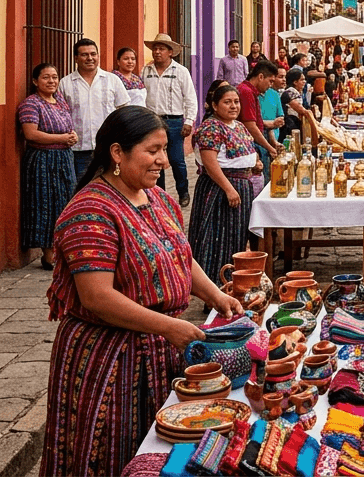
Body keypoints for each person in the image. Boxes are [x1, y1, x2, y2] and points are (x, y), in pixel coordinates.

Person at [43, 106, 242, 476]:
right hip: (110, 362)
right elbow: (97, 296)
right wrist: (168, 327)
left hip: (159, 351)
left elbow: (179, 255)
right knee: (113, 453)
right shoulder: (90, 211)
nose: (163, 161)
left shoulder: (158, 199)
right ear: (117, 153)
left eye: (165, 150)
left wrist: (215, 296)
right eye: (153, 151)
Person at [190, 84, 260, 283]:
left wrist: (254, 163)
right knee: (217, 239)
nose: (233, 106)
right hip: (219, 190)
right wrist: (228, 189)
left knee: (236, 239)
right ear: (214, 105)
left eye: (236, 102)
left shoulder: (238, 126)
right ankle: (215, 286)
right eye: (227, 102)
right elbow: (210, 163)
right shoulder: (211, 127)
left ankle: (233, 283)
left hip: (242, 187)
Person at [18, 63, 77, 270]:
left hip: (63, 158)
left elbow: (68, 125)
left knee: (65, 201)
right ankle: (48, 254)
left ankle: (64, 249)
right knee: (45, 203)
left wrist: (72, 136)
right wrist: (62, 137)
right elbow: (30, 134)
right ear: (35, 81)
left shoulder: (60, 101)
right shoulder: (31, 104)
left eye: (54, 77)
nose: (51, 81)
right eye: (46, 77)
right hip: (42, 160)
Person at [58, 38, 130, 180]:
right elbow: (60, 114)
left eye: (93, 54)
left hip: (108, 148)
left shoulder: (112, 80)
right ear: (76, 58)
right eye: (85, 55)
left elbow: (124, 110)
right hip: (78, 150)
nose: (90, 58)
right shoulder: (65, 84)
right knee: (80, 189)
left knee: (110, 188)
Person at [140, 34, 199, 205]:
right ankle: (160, 195)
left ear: (170, 52)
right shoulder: (146, 71)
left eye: (161, 49)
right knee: (155, 160)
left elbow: (190, 98)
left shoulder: (181, 71)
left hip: (174, 121)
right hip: (152, 122)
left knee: (176, 159)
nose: (157, 52)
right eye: (155, 49)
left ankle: (183, 192)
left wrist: (189, 121)